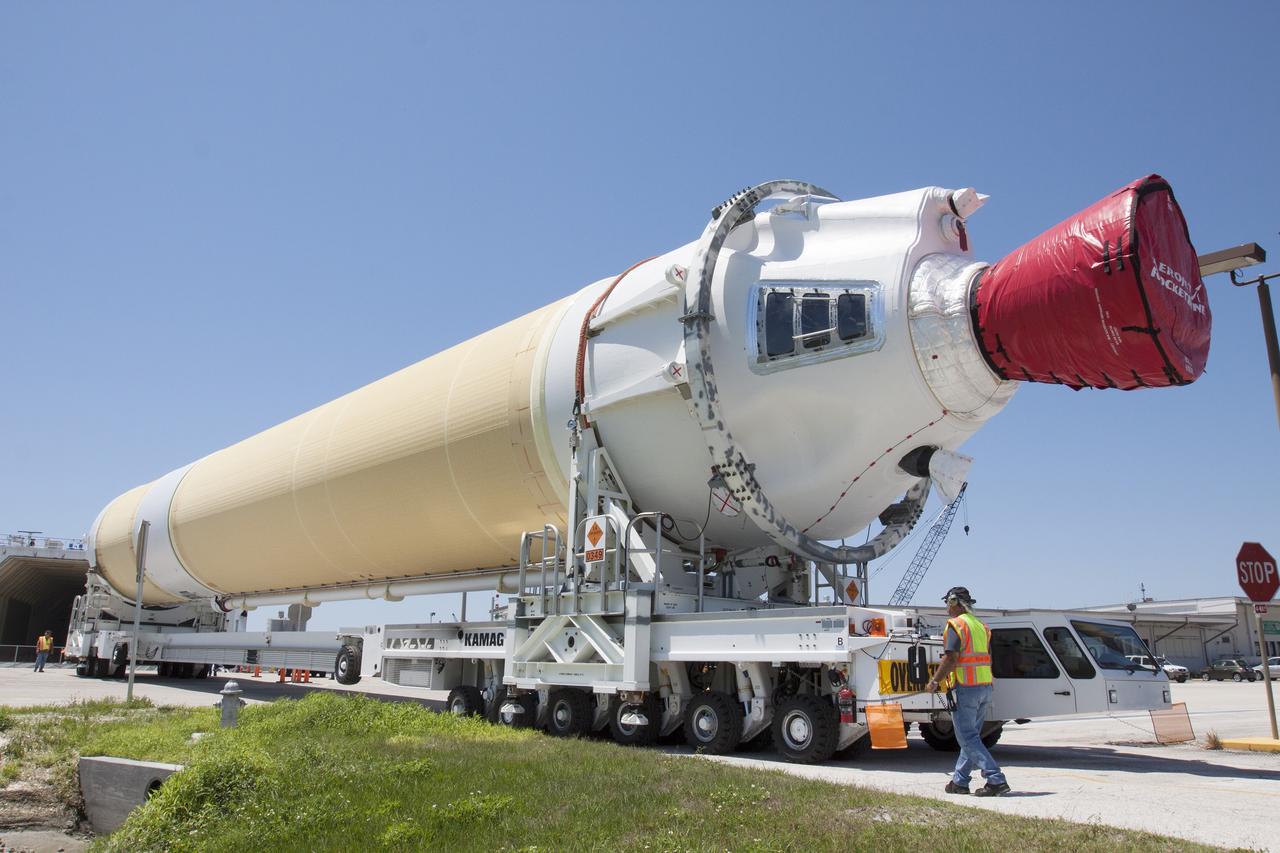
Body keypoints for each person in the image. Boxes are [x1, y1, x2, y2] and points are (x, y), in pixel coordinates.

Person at [926, 586, 1010, 797]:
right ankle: (960, 782)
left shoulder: (956, 625)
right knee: (971, 738)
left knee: (967, 738)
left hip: (967, 688)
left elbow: (951, 658)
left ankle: (996, 779)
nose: (946, 607)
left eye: (947, 602)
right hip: (984, 687)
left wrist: (935, 681)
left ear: (954, 602)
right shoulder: (980, 626)